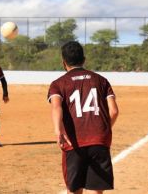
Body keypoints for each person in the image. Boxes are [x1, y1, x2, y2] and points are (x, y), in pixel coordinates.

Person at [47, 41, 119, 194]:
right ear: (84, 59)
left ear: (63, 62)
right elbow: (114, 111)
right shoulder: (101, 80)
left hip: (74, 142)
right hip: (100, 140)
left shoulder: (58, 84)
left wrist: (58, 131)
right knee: (97, 189)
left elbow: (56, 106)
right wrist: (103, 130)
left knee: (74, 189)